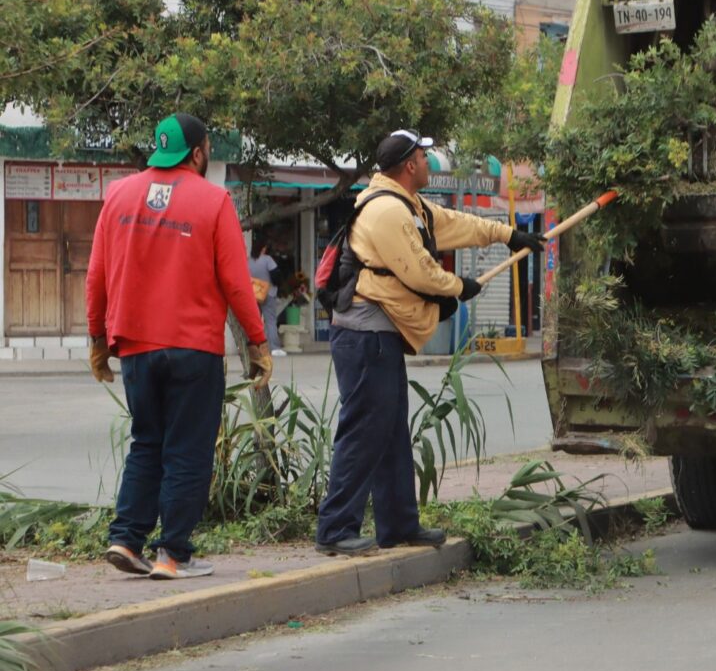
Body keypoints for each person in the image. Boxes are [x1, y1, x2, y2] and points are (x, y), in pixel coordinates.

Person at [315, 128, 546, 556]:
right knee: (364, 430)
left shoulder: (409, 204)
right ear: (410, 165)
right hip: (364, 336)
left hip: (380, 335)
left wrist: (508, 235)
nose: (427, 161)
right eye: (423, 156)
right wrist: (459, 286)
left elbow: (456, 223)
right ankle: (334, 529)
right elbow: (419, 271)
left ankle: (399, 525)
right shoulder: (387, 211)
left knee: (390, 433)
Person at [86, 113, 273, 580]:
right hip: (193, 348)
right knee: (188, 450)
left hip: (135, 345)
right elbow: (236, 282)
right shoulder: (213, 200)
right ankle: (172, 554)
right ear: (197, 152)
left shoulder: (118, 195)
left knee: (147, 441)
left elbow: (96, 275)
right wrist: (257, 342)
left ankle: (126, 540)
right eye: (207, 148)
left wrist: (97, 339)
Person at [248, 236, 287, 356]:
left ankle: (254, 347)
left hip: (253, 294)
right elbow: (276, 276)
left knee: (254, 321)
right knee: (270, 321)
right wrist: (279, 285)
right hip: (268, 293)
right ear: (262, 248)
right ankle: (274, 347)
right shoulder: (268, 260)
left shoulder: (248, 261)